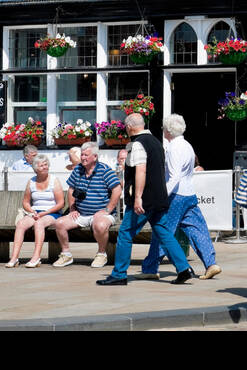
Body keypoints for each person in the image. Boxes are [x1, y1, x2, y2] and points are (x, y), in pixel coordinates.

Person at [97, 113, 191, 286]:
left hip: (144, 200)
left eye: (125, 126)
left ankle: (119, 274)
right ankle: (183, 268)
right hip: (159, 198)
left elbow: (141, 170)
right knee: (163, 232)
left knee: (125, 233)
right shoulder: (156, 142)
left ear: (129, 127)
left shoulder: (137, 143)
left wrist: (138, 197)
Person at [139, 114, 221, 281]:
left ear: (168, 130)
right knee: (197, 229)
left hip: (176, 195)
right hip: (189, 193)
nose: (162, 130)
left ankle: (150, 267)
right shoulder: (187, 145)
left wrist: (163, 195)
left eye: (163, 128)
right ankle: (211, 263)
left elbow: (174, 175)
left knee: (162, 232)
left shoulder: (174, 148)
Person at [53, 143, 121, 268]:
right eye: (82, 155)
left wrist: (107, 210)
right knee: (59, 223)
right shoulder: (78, 169)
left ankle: (101, 254)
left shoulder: (105, 170)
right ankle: (66, 254)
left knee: (99, 225)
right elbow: (71, 189)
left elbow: (117, 190)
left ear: (95, 157)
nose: (83, 157)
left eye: (86, 155)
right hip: (81, 213)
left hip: (101, 214)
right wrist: (72, 208)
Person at [7, 154, 65, 267]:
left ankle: (36, 257)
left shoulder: (54, 180)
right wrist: (32, 211)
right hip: (36, 212)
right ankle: (14, 258)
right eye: (41, 165)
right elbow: (26, 202)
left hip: (52, 212)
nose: (45, 167)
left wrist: (46, 213)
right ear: (35, 169)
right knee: (21, 224)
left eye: (46, 164)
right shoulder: (31, 181)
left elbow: (61, 203)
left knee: (39, 224)